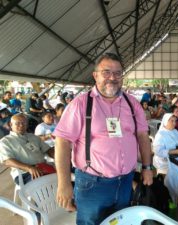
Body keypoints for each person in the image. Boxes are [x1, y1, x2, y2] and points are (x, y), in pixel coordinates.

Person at [53, 52, 153, 225]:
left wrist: (147, 167)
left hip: (125, 181)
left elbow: (143, 136)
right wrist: (64, 183)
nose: (112, 78)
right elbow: (62, 142)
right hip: (92, 183)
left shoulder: (132, 103)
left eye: (117, 73)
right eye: (106, 72)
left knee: (121, 222)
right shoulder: (81, 104)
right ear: (95, 75)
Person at [0, 113, 54, 184]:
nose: (21, 125)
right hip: (24, 173)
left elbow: (48, 150)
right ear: (11, 124)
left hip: (43, 167)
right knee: (47, 183)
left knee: (66, 173)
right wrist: (29, 168)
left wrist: (60, 157)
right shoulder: (5, 141)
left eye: (24, 123)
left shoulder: (33, 137)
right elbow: (8, 161)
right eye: (18, 123)